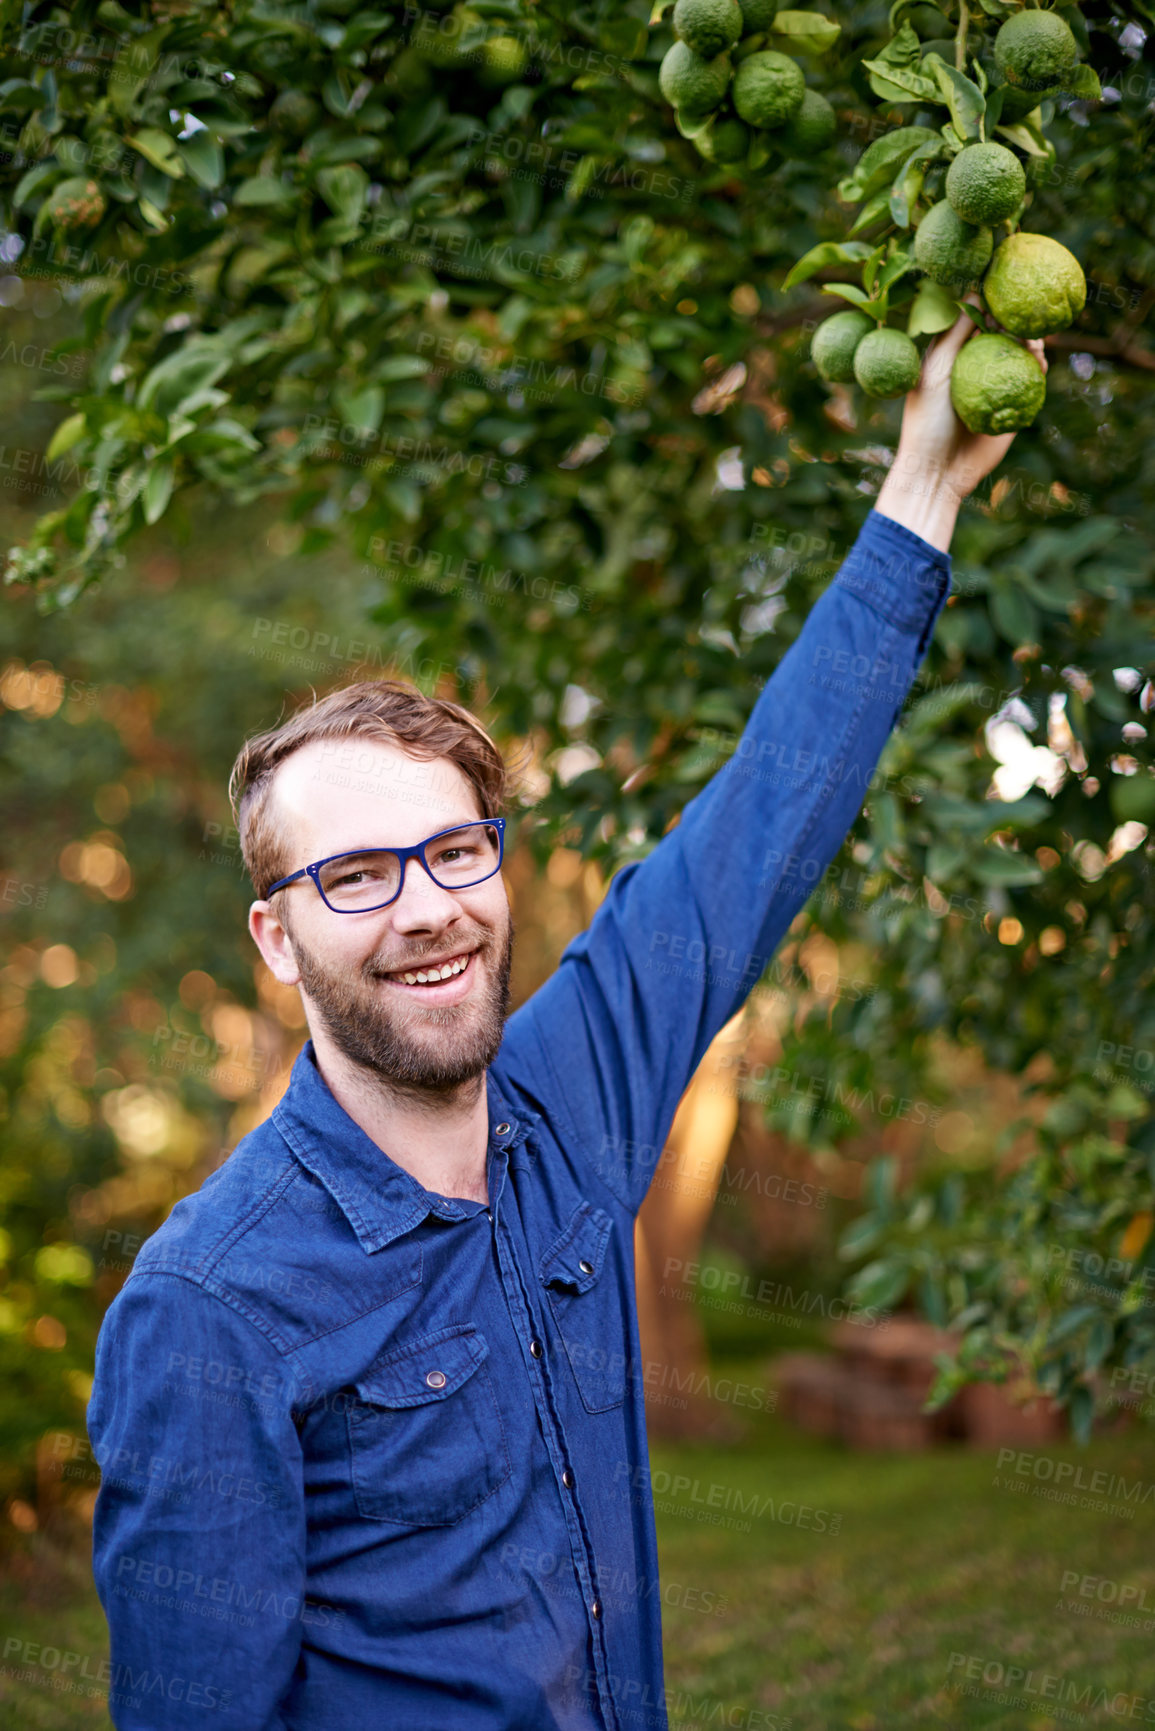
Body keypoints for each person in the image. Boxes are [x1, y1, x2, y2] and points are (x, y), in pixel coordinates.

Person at [88, 314, 1046, 1729]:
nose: (425, 909)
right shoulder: (211, 1309)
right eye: (353, 875)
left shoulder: (567, 1109)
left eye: (454, 851)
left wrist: (922, 494)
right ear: (275, 936)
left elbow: (752, 837)